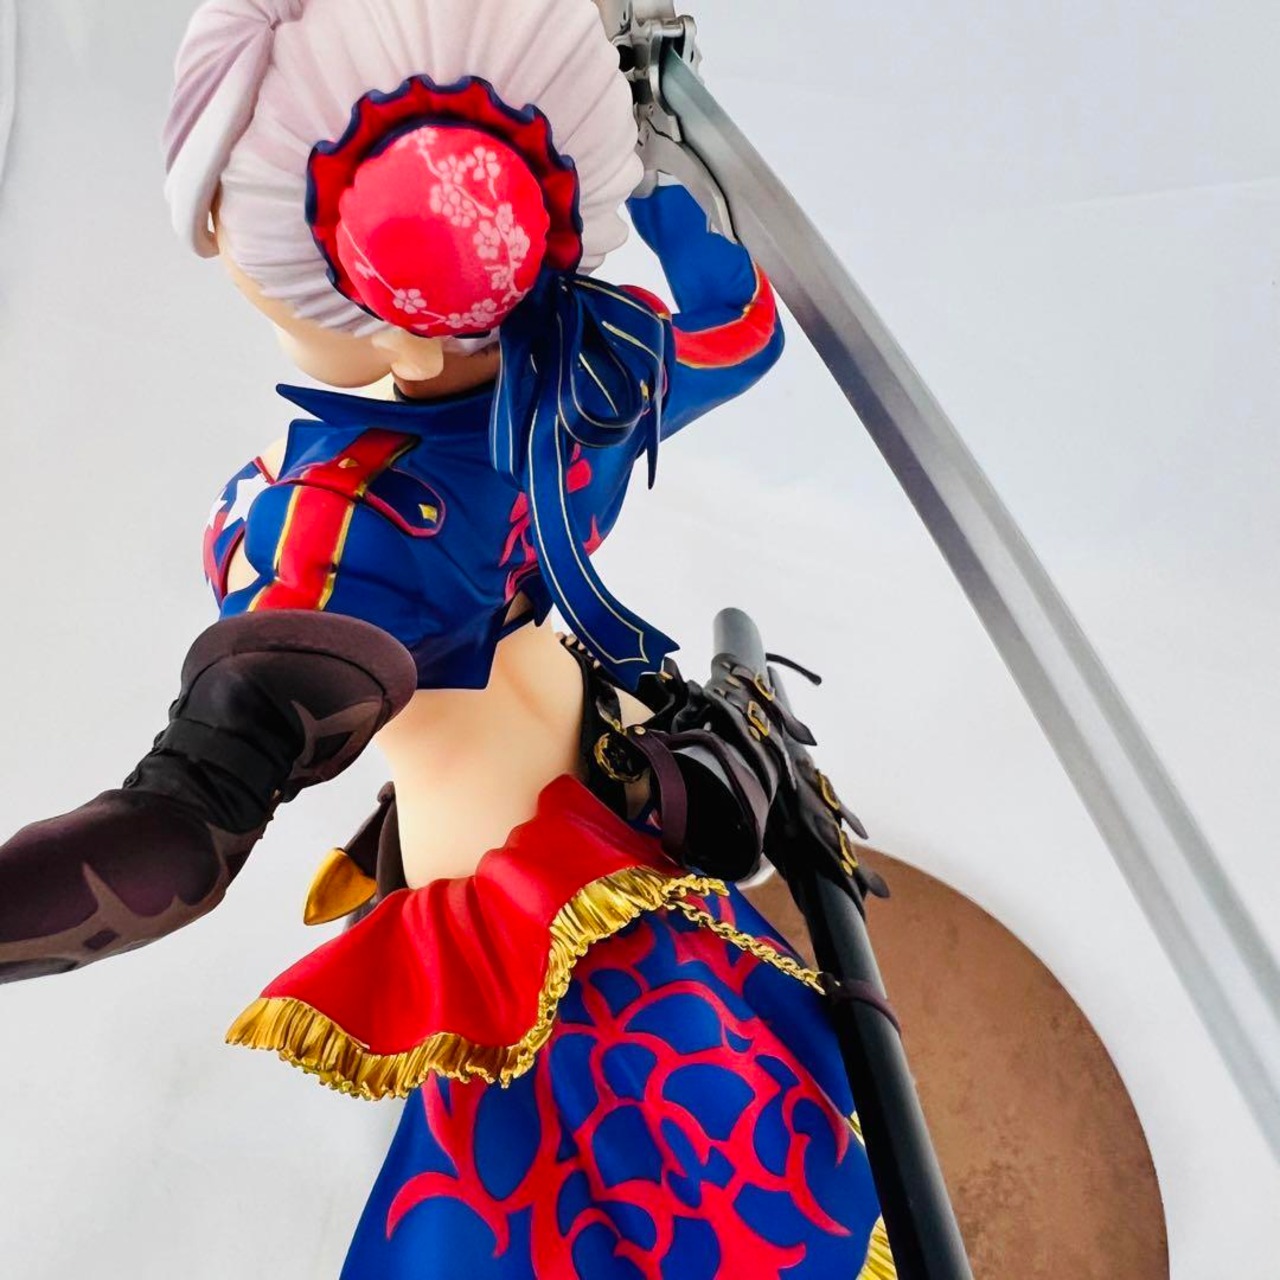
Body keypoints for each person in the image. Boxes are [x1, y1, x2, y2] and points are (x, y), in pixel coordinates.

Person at [0, 2, 893, 1275]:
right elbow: (735, 332)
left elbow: (178, 833)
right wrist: (652, 170)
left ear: (394, 306)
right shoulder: (578, 378)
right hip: (613, 822)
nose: (213, 239)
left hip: (539, 925)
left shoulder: (352, 523)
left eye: (238, 223)